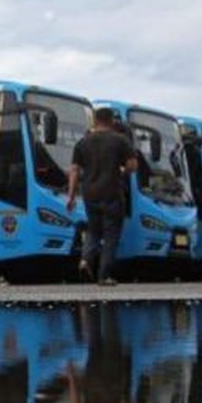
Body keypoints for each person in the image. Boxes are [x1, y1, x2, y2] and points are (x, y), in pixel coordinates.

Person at [66, 107, 138, 285]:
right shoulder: (120, 140)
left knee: (93, 230)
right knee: (111, 233)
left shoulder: (82, 142)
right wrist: (122, 170)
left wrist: (71, 196)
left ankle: (85, 261)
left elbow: (74, 171)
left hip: (89, 193)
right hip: (112, 191)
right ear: (112, 120)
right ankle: (104, 275)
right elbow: (133, 164)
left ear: (95, 121)